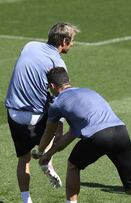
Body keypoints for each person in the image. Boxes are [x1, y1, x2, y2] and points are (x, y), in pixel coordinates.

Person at [32, 67, 131, 203]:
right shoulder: (89, 92)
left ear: (52, 86)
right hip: (121, 132)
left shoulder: (57, 104)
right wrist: (49, 155)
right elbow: (70, 135)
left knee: (73, 165)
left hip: (99, 136)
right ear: (69, 81)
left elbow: (48, 134)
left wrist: (41, 151)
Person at [5, 22, 80, 203]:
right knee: (58, 125)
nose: (73, 44)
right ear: (64, 41)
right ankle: (46, 157)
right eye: (72, 41)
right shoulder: (58, 63)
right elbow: (60, 96)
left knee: (24, 159)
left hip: (13, 111)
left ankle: (26, 200)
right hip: (36, 115)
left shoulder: (30, 45)